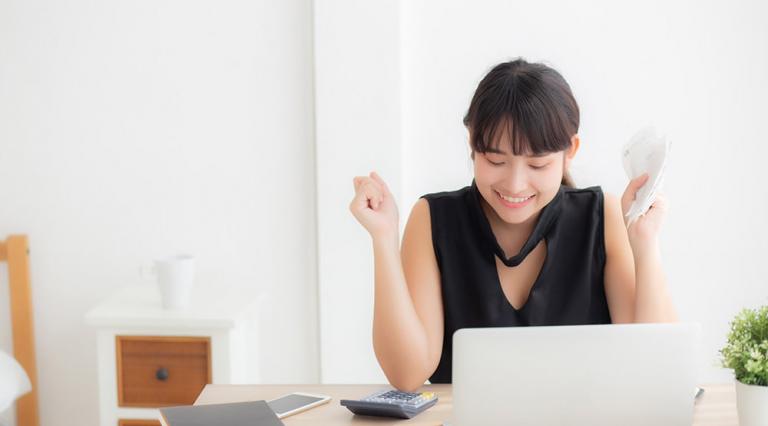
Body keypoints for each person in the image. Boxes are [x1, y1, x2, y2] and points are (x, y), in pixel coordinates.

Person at [349, 58, 677, 392]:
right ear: (472, 143)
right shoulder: (433, 218)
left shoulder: (600, 215)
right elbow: (407, 375)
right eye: (495, 161)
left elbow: (654, 367)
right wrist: (384, 237)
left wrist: (645, 243)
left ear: (570, 151)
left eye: (537, 164)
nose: (515, 184)